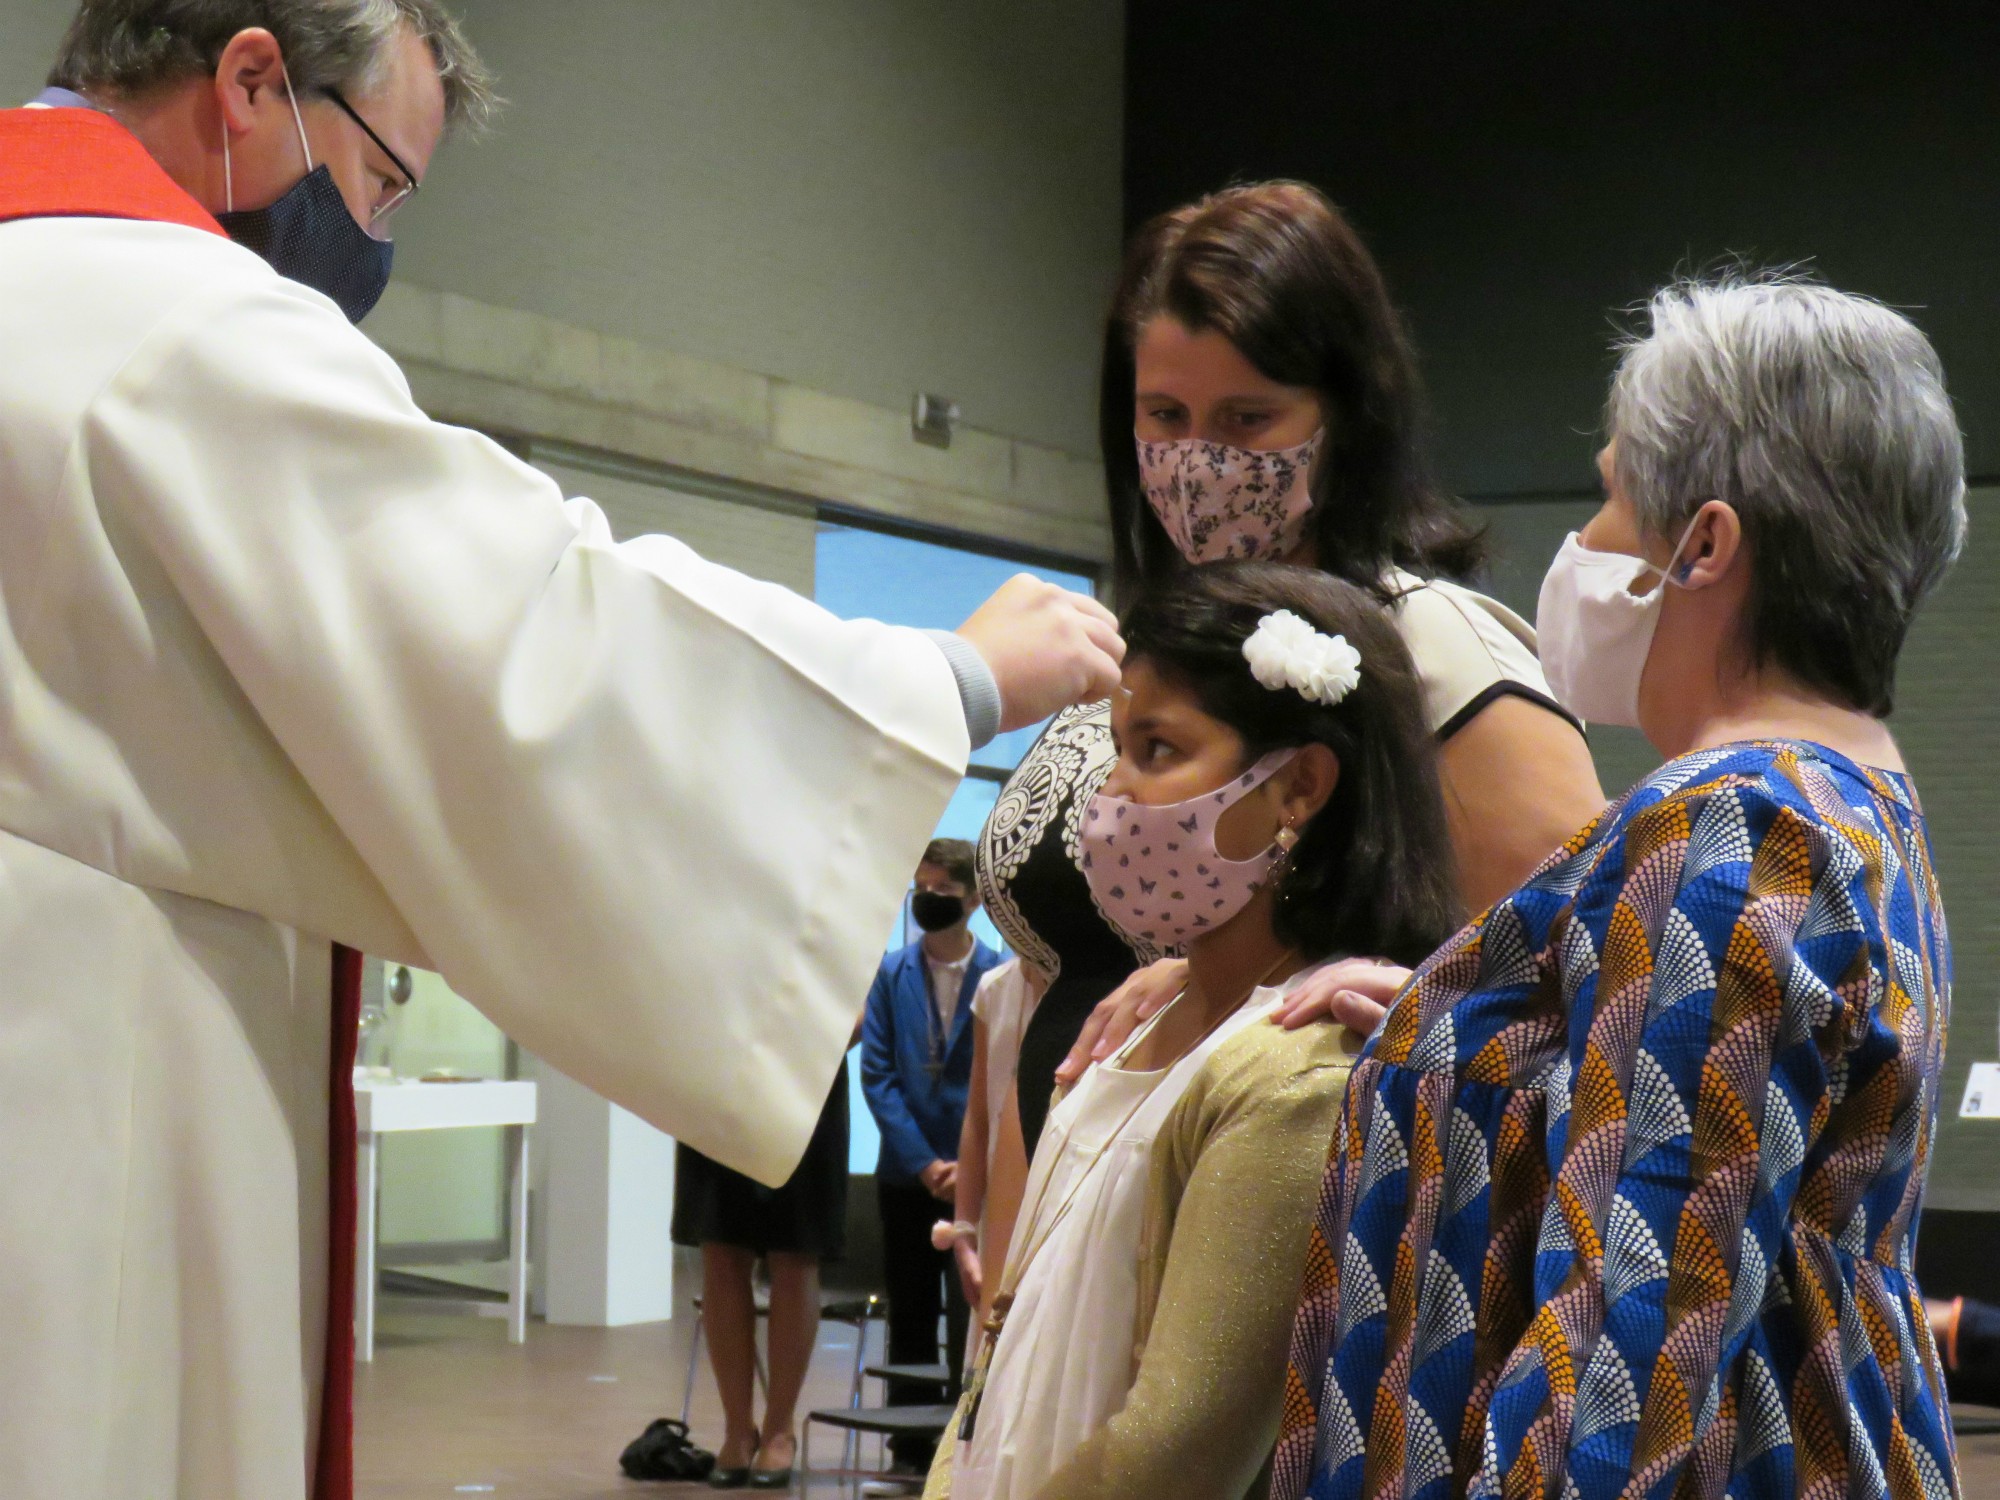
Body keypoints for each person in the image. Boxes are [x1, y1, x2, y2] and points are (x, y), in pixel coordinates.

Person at [0, 6, 1121, 1497]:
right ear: (255, 83)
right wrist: (946, 677)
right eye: (384, 177)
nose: (378, 234)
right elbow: (530, 635)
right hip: (80, 1085)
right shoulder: (171, 321)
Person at [1276, 273, 1966, 1500]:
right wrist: (1455, 1036)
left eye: (1606, 495)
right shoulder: (1840, 805)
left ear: (1702, 543)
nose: (1585, 541)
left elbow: (1629, 1352)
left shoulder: (1731, 833)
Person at [965, 179, 1604, 1313]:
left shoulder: (1433, 652)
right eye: (1163, 417)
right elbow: (1051, 988)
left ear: (1342, 416)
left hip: (1276, 1288)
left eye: (1244, 421)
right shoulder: (1140, 650)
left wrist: (1253, 983)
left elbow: (1578, 981)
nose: (1196, 459)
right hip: (1063, 1272)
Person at [930, 562, 1461, 1500]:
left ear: (1298, 785)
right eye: (1115, 748)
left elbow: (1176, 1448)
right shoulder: (1142, 1017)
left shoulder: (1303, 1060)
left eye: (1159, 750)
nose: (1111, 795)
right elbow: (1001, 1364)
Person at [862, 840, 1003, 1488]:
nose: (926, 901)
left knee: (970, 1311)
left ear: (973, 900)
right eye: (919, 888)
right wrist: (924, 1163)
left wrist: (968, 1167)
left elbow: (1002, 1079)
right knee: (910, 1309)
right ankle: (907, 1448)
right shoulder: (891, 973)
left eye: (941, 891)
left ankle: (959, 1440)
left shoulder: (1001, 976)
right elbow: (878, 1073)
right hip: (906, 1173)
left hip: (977, 1175)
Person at [666, 1061, 853, 1489]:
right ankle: (736, 1429)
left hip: (803, 1083)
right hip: (719, 1081)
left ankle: (779, 1428)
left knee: (794, 1249)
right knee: (721, 1247)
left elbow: (857, 1013)